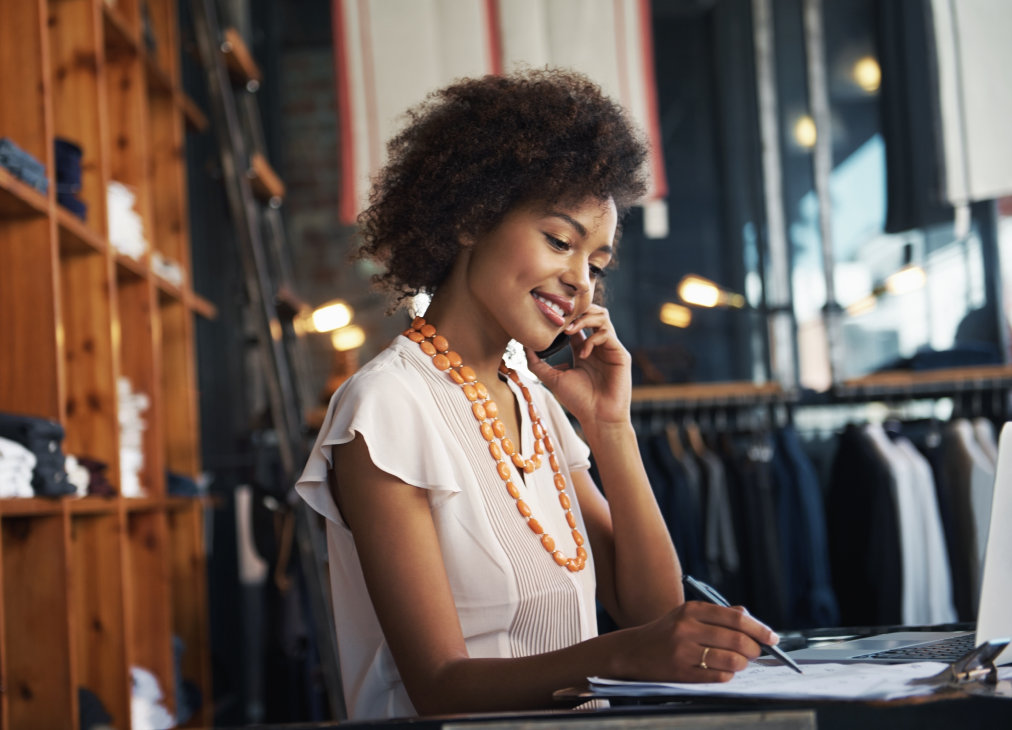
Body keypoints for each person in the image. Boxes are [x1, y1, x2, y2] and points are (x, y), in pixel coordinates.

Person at [296, 68, 779, 721]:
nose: (581, 282)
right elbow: (438, 686)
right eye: (560, 241)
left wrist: (612, 427)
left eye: (598, 264)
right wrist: (622, 657)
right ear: (470, 218)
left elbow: (652, 610)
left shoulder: (534, 394)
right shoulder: (386, 409)